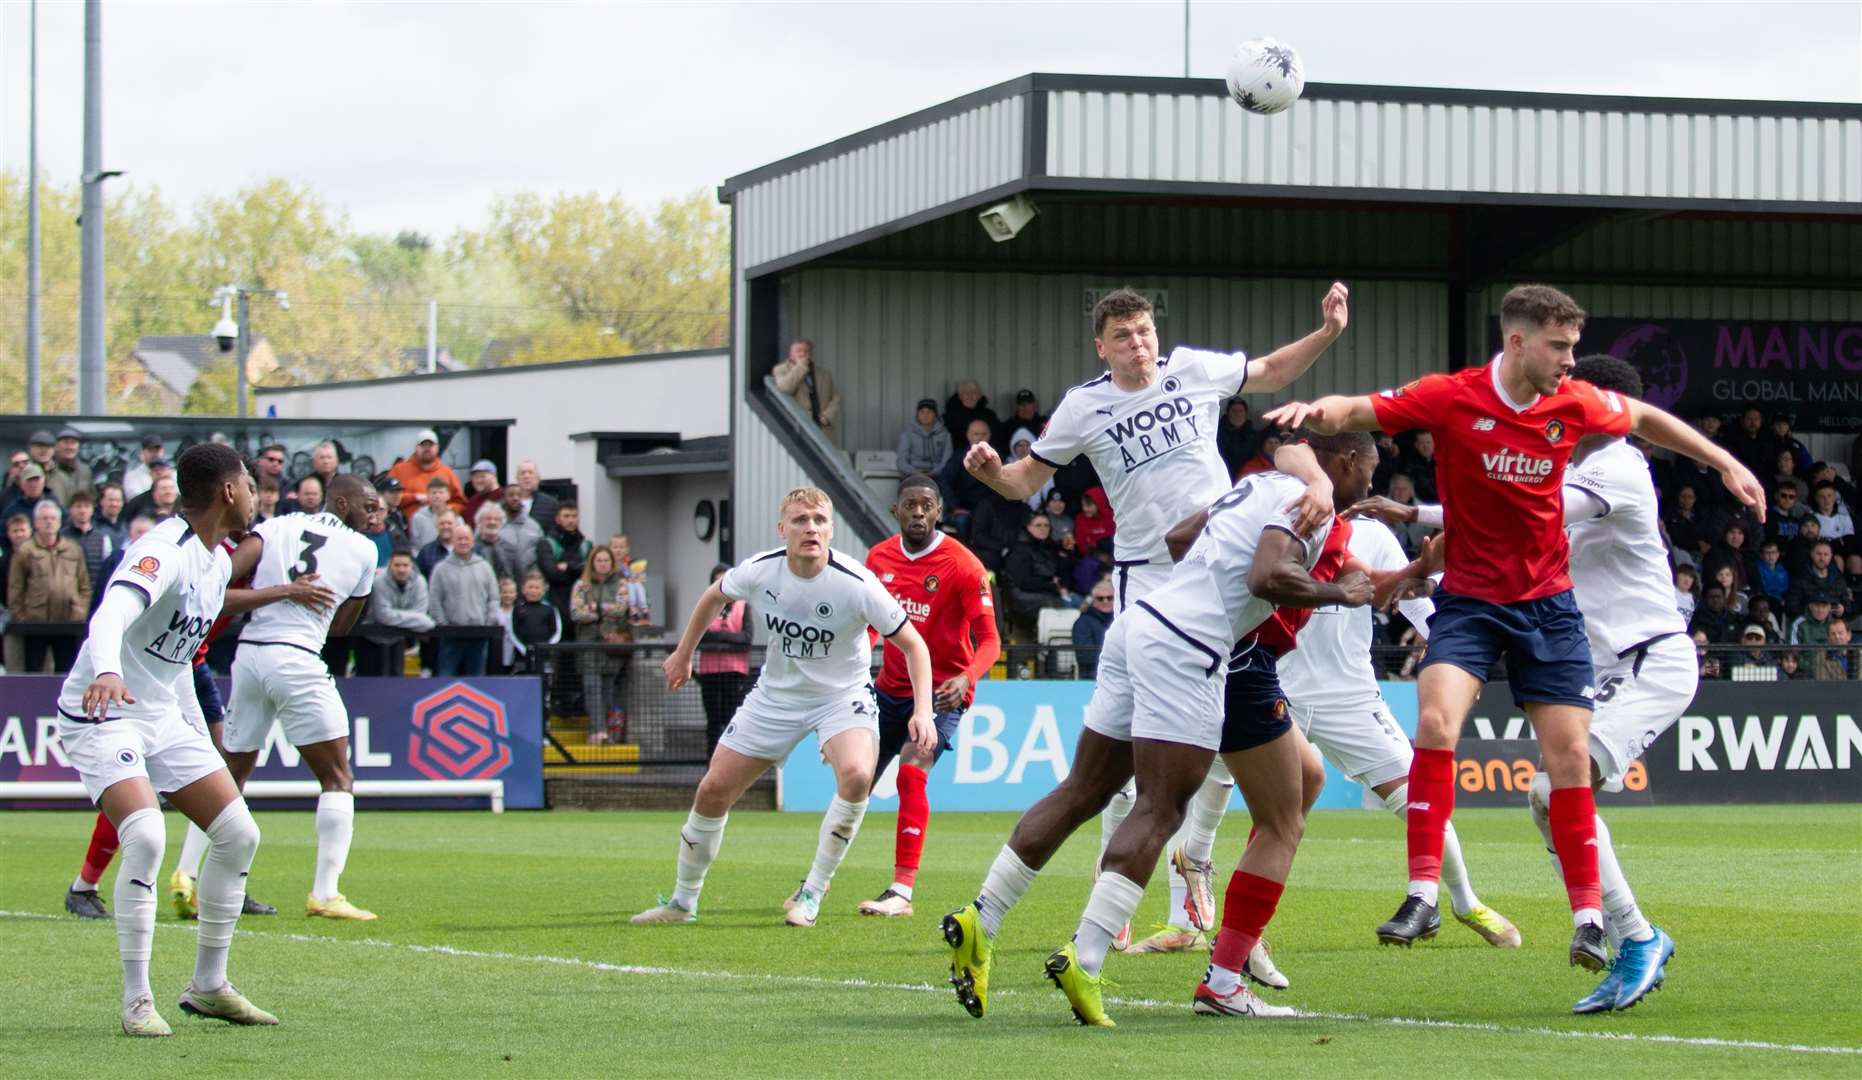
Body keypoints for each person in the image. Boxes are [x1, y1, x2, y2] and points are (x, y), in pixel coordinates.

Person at [1263, 284, 1764, 1000]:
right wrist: (1416, 522)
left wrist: (1723, 461)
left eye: (1573, 363)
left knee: (1556, 781)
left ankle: (1631, 936)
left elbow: (1536, 507)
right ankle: (1612, 930)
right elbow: (1493, 495)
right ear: (1520, 343)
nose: (1566, 379)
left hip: (1647, 659)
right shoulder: (1534, 427)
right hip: (1580, 644)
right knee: (1530, 786)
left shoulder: (1615, 465)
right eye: (1558, 352)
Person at [941, 436, 1401, 1025]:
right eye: (1368, 467)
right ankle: (1085, 955)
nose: (1370, 480)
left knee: (1083, 789)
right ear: (1345, 462)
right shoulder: (1313, 508)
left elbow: (1181, 539)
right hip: (1189, 649)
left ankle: (984, 915)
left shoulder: (1254, 485)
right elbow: (1266, 577)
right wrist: (1337, 591)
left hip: (1140, 623)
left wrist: (1213, 589)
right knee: (1161, 810)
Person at [959, 281, 1351, 951]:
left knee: (1191, 756)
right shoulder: (1085, 406)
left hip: (1222, 568)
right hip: (1151, 584)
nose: (1137, 345)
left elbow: (1270, 373)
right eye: (1122, 337)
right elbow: (1025, 482)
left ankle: (1189, 898)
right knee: (1151, 775)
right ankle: (1149, 915)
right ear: (1100, 347)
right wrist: (992, 471)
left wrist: (1329, 333)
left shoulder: (1194, 369)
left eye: (1144, 332)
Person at [632, 487, 936, 929]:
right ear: (783, 529)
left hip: (841, 698)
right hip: (775, 697)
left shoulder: (856, 583)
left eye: (818, 520)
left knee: (856, 777)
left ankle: (812, 891)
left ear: (831, 529)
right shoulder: (761, 570)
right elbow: (714, 596)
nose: (810, 528)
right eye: (800, 520)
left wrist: (922, 711)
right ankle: (682, 902)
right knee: (712, 790)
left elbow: (914, 646)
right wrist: (683, 654)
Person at [54, 442, 276, 1035]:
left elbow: (174, 658)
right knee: (148, 835)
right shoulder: (163, 551)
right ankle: (136, 1001)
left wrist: (197, 737)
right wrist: (105, 671)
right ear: (229, 491)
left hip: (161, 713)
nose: (257, 496)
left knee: (239, 834)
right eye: (252, 485)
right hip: (101, 710)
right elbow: (109, 616)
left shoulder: (214, 560)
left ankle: (208, 987)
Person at [1279, 497, 1520, 959]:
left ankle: (1463, 902)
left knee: (1418, 798)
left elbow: (1421, 604)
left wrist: (1454, 660)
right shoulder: (1279, 518)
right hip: (1272, 684)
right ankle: (1191, 919)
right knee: (1218, 789)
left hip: (1347, 697)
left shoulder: (1373, 535)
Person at [218, 474, 382, 921]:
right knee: (337, 777)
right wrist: (302, 597)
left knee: (230, 775)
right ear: (343, 504)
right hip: (296, 657)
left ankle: (190, 880)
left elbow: (221, 582)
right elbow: (341, 627)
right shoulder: (366, 551)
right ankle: (325, 893)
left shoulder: (275, 527)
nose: (376, 515)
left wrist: (275, 591)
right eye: (369, 507)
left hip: (250, 655)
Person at [853, 475, 1000, 918]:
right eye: (910, 505)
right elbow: (870, 626)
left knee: (912, 772)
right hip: (889, 689)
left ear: (939, 512)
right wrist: (856, 662)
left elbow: (990, 640)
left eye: (927, 505)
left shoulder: (964, 565)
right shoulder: (878, 558)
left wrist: (968, 676)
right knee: (854, 781)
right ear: (895, 511)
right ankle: (815, 884)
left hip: (943, 693)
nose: (918, 512)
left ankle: (901, 891)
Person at [10, 500, 92, 672]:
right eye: (44, 518)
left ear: (60, 521)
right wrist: (21, 616)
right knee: (34, 672)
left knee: (66, 672)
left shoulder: (73, 549)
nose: (49, 522)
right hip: (34, 624)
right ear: (36, 523)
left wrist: (80, 611)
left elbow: (84, 584)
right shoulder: (25, 551)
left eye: (53, 518)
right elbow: (15, 588)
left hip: (68, 622)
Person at [570, 546, 633, 745]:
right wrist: (600, 612)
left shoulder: (622, 585)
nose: (603, 564)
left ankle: (606, 730)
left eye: (606, 560)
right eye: (599, 560)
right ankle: (596, 730)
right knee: (591, 686)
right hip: (588, 643)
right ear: (592, 563)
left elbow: (621, 609)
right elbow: (575, 612)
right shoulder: (582, 585)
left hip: (612, 643)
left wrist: (593, 609)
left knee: (608, 687)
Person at [427, 521, 501, 676]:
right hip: (450, 637)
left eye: (466, 538)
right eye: (459, 538)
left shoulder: (485, 567)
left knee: (477, 680)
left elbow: (494, 597)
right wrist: (444, 625)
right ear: (452, 541)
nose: (463, 542)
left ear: (473, 541)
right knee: (446, 679)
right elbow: (434, 599)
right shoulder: (441, 569)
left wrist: (487, 623)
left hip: (478, 635)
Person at [695, 563, 751, 757]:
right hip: (709, 671)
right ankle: (711, 760)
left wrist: (717, 636)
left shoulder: (743, 606)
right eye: (717, 579)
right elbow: (699, 636)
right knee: (713, 718)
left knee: (731, 717)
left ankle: (729, 761)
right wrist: (727, 638)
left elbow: (745, 638)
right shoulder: (706, 605)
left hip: (734, 671)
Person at [357, 547, 435, 676]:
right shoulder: (379, 582)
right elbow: (383, 615)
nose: (401, 569)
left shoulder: (420, 582)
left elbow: (420, 612)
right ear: (390, 566)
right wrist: (417, 620)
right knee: (370, 683)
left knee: (396, 680)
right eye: (397, 565)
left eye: (405, 565)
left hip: (397, 639)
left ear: (411, 566)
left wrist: (402, 617)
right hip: (372, 639)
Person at [1001, 513, 1071, 640]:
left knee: (1075, 599)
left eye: (1046, 525)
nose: (1043, 528)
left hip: (1044, 591)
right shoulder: (1020, 549)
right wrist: (1052, 586)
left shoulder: (1047, 547)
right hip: (1022, 596)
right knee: (1061, 604)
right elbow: (1023, 582)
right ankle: (1050, 646)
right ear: (1028, 527)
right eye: (1038, 525)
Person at [771, 339, 842, 445]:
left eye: (807, 351)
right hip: (798, 426)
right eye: (799, 351)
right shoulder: (781, 369)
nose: (803, 353)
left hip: (821, 427)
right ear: (791, 355)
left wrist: (828, 416)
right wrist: (801, 366)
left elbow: (836, 397)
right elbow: (785, 387)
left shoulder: (824, 374)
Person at [386, 429, 464, 519]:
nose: (427, 448)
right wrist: (415, 497)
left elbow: (460, 503)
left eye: (430, 445)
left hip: (441, 528)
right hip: (404, 530)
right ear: (416, 447)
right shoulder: (398, 470)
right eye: (423, 445)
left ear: (437, 447)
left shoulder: (448, 473)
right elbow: (386, 497)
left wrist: (447, 509)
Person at [537, 501, 591, 616]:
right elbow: (552, 574)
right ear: (557, 519)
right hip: (555, 603)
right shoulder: (546, 544)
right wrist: (578, 570)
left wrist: (568, 567)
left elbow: (591, 571)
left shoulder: (586, 545)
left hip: (583, 605)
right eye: (566, 516)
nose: (571, 520)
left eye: (574, 516)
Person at [509, 570, 562, 675]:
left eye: (537, 588)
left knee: (545, 682)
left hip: (544, 655)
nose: (533, 590)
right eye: (530, 587)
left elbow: (557, 631)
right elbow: (512, 631)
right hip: (522, 655)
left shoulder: (550, 609)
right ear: (523, 589)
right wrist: (524, 650)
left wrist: (546, 648)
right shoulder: (518, 609)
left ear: (543, 590)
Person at [63, 489, 117, 590]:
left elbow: (107, 569)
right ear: (70, 509)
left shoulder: (103, 539)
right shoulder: (62, 537)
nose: (83, 510)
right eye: (78, 506)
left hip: (95, 594)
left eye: (87, 506)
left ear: (92, 509)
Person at [494, 484, 543, 578]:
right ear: (504, 498)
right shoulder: (494, 524)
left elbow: (542, 556)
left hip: (528, 585)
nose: (515, 498)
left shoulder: (534, 527)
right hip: (503, 585)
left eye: (519, 495)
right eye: (511, 495)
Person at [1071, 578, 1115, 679]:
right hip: (1092, 679)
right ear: (1093, 600)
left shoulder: (1121, 620)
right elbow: (1084, 655)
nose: (1105, 601)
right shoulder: (1082, 623)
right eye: (1100, 598)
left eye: (1109, 598)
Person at [897, 398, 953, 476]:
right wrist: (914, 472)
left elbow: (947, 460)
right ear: (917, 414)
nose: (925, 415)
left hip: (938, 475)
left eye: (929, 412)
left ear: (935, 414)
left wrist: (933, 473)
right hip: (912, 474)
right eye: (922, 412)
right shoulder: (907, 434)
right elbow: (901, 461)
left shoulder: (945, 435)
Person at [943, 379, 1002, 451]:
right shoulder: (950, 416)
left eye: (974, 393)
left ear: (979, 396)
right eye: (966, 393)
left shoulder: (990, 415)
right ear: (960, 396)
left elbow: (997, 438)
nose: (970, 396)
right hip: (958, 455)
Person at [474, 504, 522, 582]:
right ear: (479, 522)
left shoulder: (510, 549)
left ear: (501, 523)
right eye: (488, 519)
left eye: (496, 519)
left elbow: (518, 576)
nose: (492, 522)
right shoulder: (471, 549)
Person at [47, 427, 94, 507]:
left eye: (73, 443)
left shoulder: (86, 471)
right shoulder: (49, 470)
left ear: (78, 447)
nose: (70, 447)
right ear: (56, 446)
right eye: (66, 443)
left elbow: (92, 498)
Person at [2, 461, 59, 525]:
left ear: (43, 481)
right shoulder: (13, 510)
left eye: (37, 480)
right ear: (22, 484)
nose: (34, 484)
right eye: (30, 480)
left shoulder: (54, 504)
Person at [1217, 397, 1262, 478]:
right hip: (1224, 477)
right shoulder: (1218, 434)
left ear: (1246, 413)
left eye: (1241, 411)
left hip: (1247, 477)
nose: (1238, 414)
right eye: (1234, 411)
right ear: (1228, 413)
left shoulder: (1253, 434)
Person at [406, 477, 453, 551]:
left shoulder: (456, 518)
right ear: (428, 495)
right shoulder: (418, 518)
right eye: (434, 493)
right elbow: (414, 546)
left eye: (441, 492)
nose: (437, 496)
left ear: (448, 495)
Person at [512, 460, 559, 529]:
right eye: (522, 473)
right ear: (517, 479)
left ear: (538, 478)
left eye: (530, 473)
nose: (526, 476)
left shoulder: (551, 504)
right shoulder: (507, 503)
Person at [120, 434, 164, 501]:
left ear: (162, 451)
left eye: (157, 450)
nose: (155, 454)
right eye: (151, 450)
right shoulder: (132, 476)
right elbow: (134, 501)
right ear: (143, 452)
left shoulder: (173, 474)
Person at [461, 460, 501, 526]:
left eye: (482, 476)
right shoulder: (472, 501)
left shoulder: (504, 497)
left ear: (494, 476)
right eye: (475, 477)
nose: (479, 480)